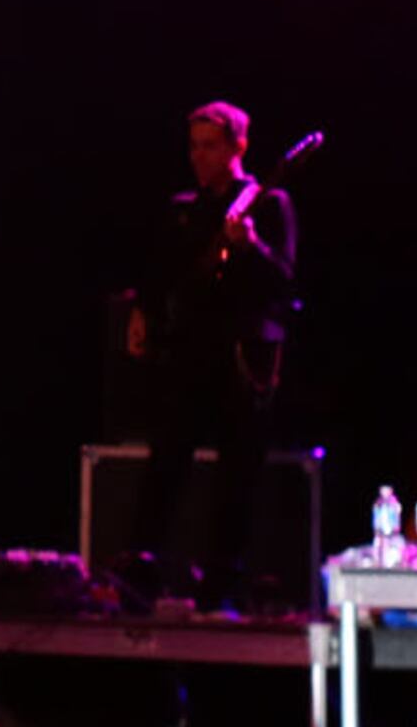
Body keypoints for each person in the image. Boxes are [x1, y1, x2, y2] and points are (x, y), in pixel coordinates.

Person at [124, 101, 298, 610]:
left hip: (244, 358)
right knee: (166, 462)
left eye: (210, 146)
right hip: (188, 354)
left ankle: (223, 579)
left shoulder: (267, 204)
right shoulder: (184, 209)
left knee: (237, 474)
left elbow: (284, 279)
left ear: (237, 147)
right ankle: (141, 567)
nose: (199, 156)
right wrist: (141, 312)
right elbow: (161, 275)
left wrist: (249, 247)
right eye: (194, 146)